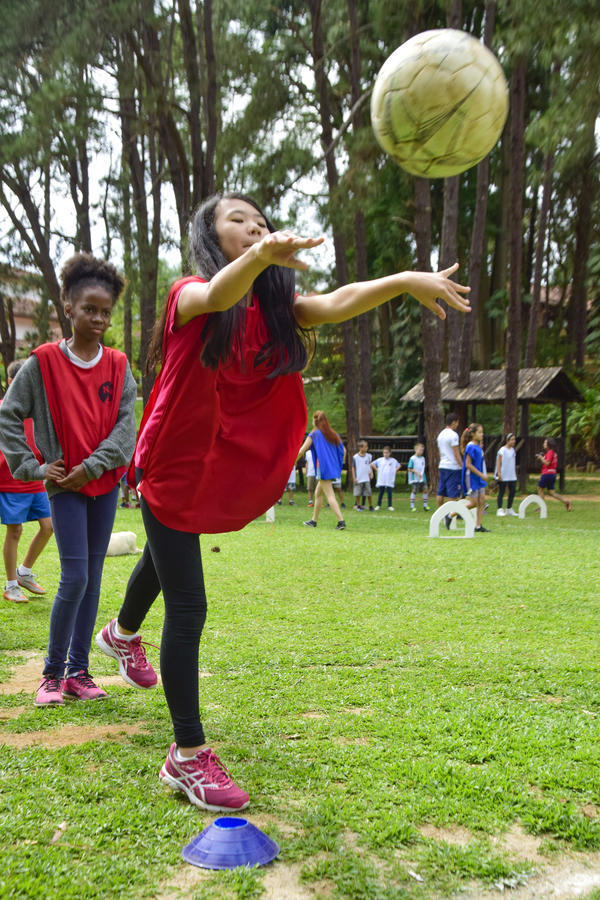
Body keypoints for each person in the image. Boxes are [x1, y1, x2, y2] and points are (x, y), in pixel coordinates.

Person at [94, 192, 470, 814]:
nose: (254, 228)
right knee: (188, 601)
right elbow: (219, 295)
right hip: (172, 463)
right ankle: (185, 757)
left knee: (166, 559)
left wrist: (404, 279)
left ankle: (120, 632)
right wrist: (262, 254)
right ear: (210, 237)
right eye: (236, 221)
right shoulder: (189, 293)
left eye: (262, 223)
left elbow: (338, 300)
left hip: (220, 464)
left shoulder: (280, 312)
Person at [0, 252, 137, 706]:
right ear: (68, 308)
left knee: (94, 578)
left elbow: (125, 426)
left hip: (103, 484)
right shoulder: (40, 363)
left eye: (105, 312)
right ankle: (51, 675)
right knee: (74, 577)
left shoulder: (118, 365)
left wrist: (95, 465)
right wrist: (36, 467)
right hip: (64, 487)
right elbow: (9, 415)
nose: (98, 318)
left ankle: (80, 672)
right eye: (89, 309)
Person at [0, 360, 54, 603]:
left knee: (49, 526)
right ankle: (11, 585)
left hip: (36, 479)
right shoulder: (3, 408)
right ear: (12, 382)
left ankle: (24, 572)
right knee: (15, 531)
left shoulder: (37, 410)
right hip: (10, 480)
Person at [298, 411, 346, 529]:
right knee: (318, 493)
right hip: (331, 468)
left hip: (322, 468)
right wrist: (335, 464)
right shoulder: (333, 433)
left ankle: (341, 522)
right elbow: (343, 451)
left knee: (330, 495)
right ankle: (314, 521)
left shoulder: (314, 434)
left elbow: (301, 450)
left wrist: (292, 461)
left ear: (315, 421)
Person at [460, 423, 491, 532]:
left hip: (479, 478)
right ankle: (452, 513)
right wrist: (481, 474)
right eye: (480, 432)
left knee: (482, 501)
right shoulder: (470, 447)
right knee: (474, 503)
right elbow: (468, 464)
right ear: (473, 434)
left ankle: (478, 526)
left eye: (482, 432)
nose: (482, 434)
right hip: (472, 477)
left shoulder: (478, 447)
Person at [536, 438, 571, 510]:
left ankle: (542, 507)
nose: (544, 444)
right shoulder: (553, 452)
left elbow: (547, 463)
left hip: (547, 474)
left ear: (548, 445)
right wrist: (543, 457)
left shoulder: (550, 452)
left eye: (545, 443)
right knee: (552, 493)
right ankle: (566, 502)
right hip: (552, 474)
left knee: (540, 489)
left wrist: (541, 458)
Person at [436, 412, 462, 506]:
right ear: (454, 422)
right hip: (453, 467)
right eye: (457, 422)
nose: (457, 425)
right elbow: (456, 453)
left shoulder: (440, 435)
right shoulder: (453, 435)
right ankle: (451, 513)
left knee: (441, 492)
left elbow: (440, 452)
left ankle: (440, 512)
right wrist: (462, 465)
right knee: (453, 493)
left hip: (442, 465)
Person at [371, 446, 401, 510]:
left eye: (387, 453)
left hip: (389, 479)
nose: (385, 454)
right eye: (384, 453)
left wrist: (395, 470)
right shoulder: (380, 460)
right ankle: (378, 505)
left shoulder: (393, 460)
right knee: (381, 492)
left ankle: (389, 505)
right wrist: (377, 470)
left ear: (390, 453)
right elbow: (372, 464)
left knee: (389, 492)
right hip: (382, 479)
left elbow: (399, 465)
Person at [496, 433, 518, 517]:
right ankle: (500, 509)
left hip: (512, 475)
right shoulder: (502, 450)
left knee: (512, 492)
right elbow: (498, 462)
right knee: (501, 492)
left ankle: (509, 508)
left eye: (514, 439)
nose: (513, 441)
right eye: (512, 439)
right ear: (507, 440)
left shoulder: (513, 450)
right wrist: (499, 473)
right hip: (503, 474)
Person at [407, 440, 429, 512]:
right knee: (414, 491)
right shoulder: (412, 458)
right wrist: (416, 472)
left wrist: (421, 474)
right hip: (415, 478)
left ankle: (425, 505)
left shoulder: (423, 458)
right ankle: (412, 506)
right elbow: (409, 468)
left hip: (422, 477)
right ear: (415, 450)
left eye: (422, 450)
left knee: (425, 490)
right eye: (419, 450)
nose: (421, 451)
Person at [352, 439, 373, 511]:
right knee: (357, 493)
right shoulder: (355, 457)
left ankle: (371, 506)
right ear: (360, 448)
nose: (367, 448)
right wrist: (354, 477)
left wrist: (371, 472)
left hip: (366, 478)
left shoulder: (369, 456)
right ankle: (358, 506)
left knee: (368, 493)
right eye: (365, 447)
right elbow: (353, 468)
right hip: (359, 478)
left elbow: (369, 465)